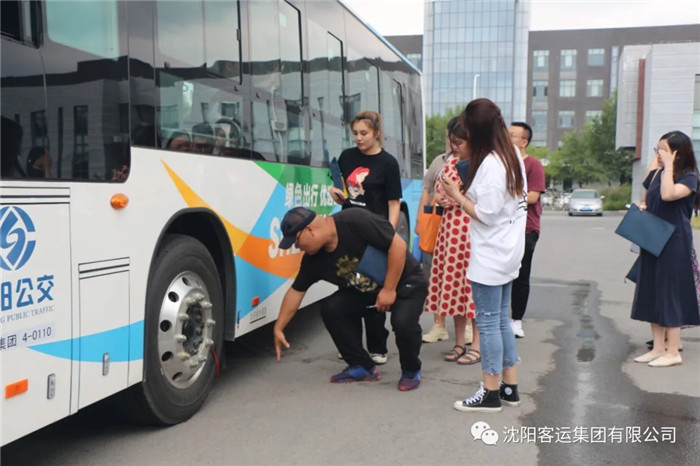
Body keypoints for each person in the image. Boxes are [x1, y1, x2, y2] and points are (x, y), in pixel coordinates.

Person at [272, 206, 427, 391]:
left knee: (402, 323)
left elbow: (398, 245)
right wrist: (279, 327)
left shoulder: (355, 220)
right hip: (369, 292)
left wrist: (389, 289)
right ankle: (362, 366)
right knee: (332, 308)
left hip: (406, 281)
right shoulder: (313, 260)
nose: (297, 248)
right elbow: (296, 291)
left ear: (310, 230)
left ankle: (411, 370)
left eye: (296, 242)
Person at [440, 98, 526, 412]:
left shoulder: (490, 165)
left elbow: (486, 214)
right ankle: (509, 386)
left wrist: (457, 195)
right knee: (501, 320)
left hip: (492, 253)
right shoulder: (511, 153)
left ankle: (490, 392)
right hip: (508, 249)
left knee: (488, 323)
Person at [329, 110, 402, 365]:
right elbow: (343, 191)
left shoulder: (388, 163)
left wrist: (388, 235)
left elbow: (393, 203)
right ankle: (351, 347)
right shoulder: (347, 157)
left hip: (375, 234)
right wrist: (335, 193)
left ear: (377, 134)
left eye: (364, 133)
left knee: (372, 292)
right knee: (347, 290)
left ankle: (377, 347)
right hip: (347, 233)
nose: (359, 138)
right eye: (355, 133)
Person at [631, 131, 700, 367]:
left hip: (675, 241)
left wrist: (668, 167)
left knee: (671, 293)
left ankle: (673, 352)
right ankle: (658, 348)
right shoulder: (658, 173)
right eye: (657, 149)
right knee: (652, 289)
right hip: (652, 237)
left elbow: (668, 195)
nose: (659, 154)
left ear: (677, 153)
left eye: (663, 150)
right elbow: (648, 197)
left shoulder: (689, 177)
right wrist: (642, 205)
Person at [424, 117, 479, 364]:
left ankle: (476, 344)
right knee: (454, 288)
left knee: (474, 290)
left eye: (460, 142)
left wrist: (455, 196)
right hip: (449, 233)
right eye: (453, 142)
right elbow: (439, 194)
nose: (455, 147)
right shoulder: (450, 163)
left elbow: (473, 198)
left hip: (471, 232)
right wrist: (453, 196)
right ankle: (458, 343)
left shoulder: (481, 165)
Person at [509, 122, 545, 338]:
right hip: (503, 227)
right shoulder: (501, 163)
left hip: (526, 228)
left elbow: (532, 197)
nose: (507, 138)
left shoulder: (533, 165)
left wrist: (508, 196)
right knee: (501, 274)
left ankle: (516, 320)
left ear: (524, 142)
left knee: (521, 275)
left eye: (512, 135)